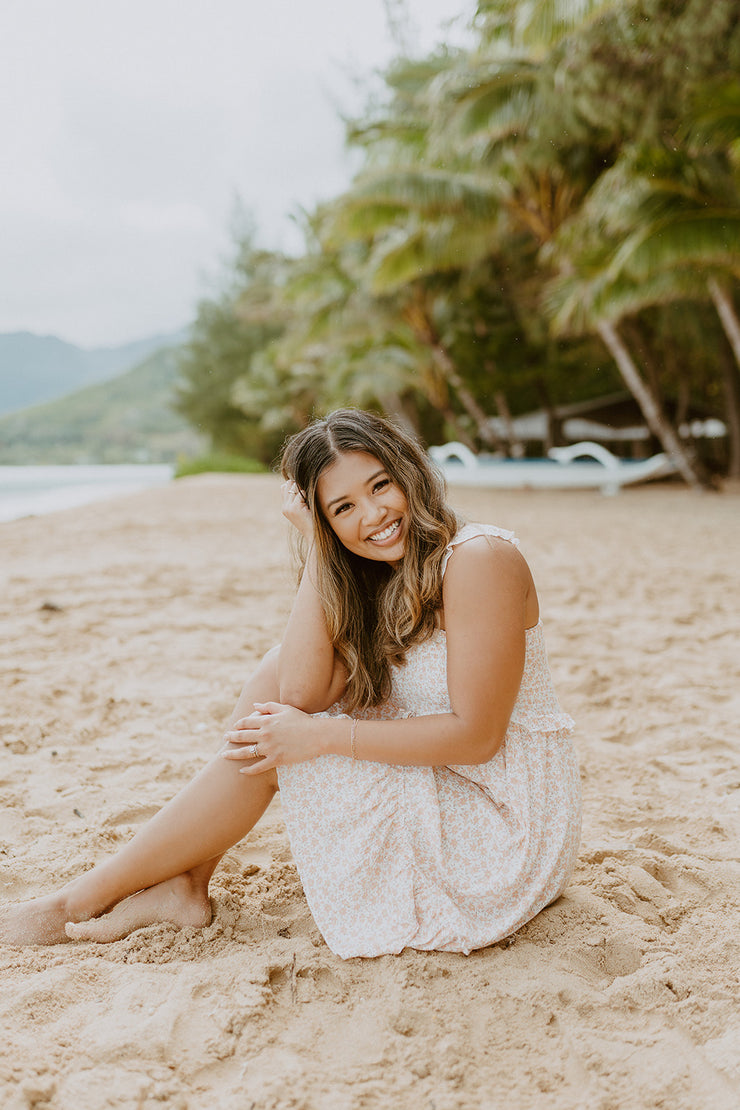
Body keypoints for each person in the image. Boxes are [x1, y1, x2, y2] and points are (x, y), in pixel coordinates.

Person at [0, 409, 581, 956]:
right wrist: (320, 550)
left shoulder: (478, 559)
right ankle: (186, 883)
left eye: (380, 486)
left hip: (503, 826)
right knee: (276, 674)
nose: (373, 517)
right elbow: (299, 690)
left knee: (293, 738)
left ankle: (77, 902)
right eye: (343, 508)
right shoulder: (380, 576)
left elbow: (478, 737)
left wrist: (324, 739)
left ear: (411, 471)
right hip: (451, 780)